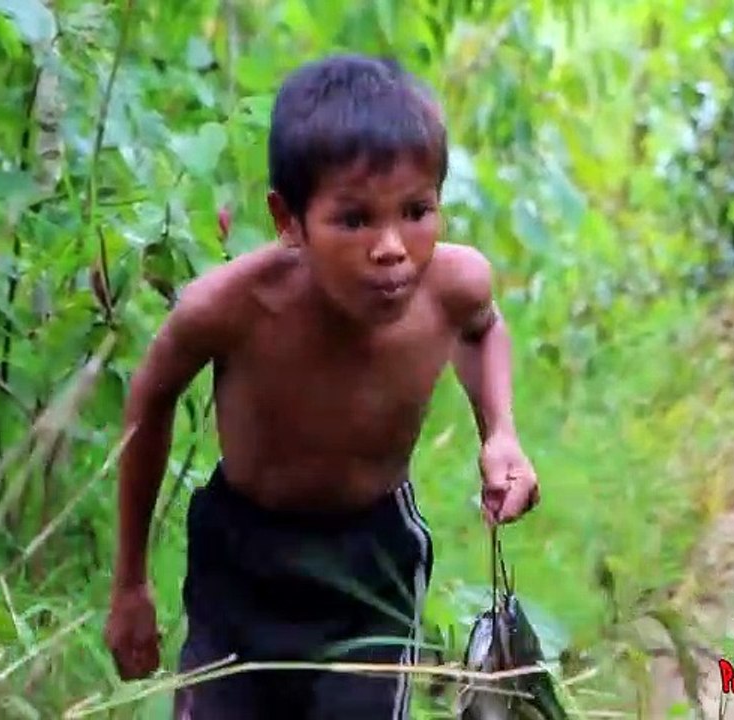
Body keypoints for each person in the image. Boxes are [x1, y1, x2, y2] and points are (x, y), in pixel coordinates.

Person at [103, 53, 541, 720]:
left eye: (417, 210)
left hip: (373, 561)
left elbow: (483, 330)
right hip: (240, 559)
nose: (392, 246)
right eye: (355, 220)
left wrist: (500, 432)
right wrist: (130, 582)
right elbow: (151, 396)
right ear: (289, 221)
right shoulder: (229, 308)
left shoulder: (454, 286)